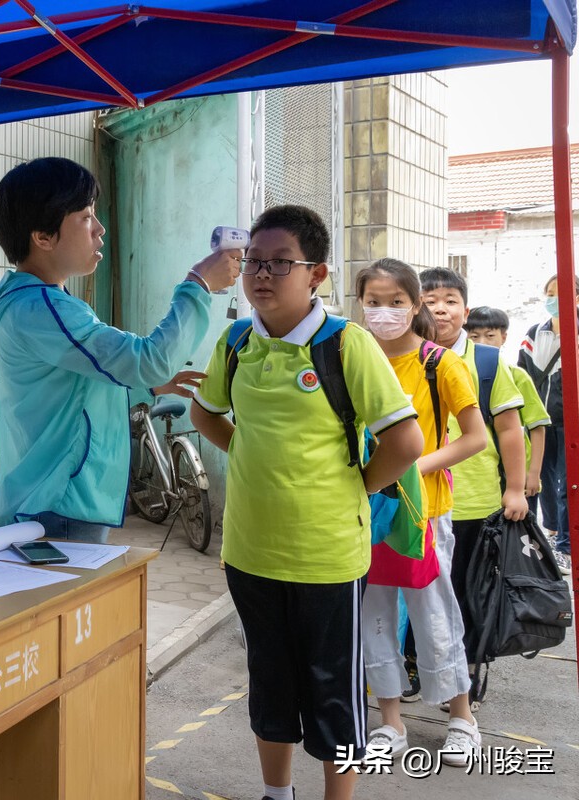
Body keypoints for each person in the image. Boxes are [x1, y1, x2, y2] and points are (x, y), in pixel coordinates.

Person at [190, 206, 422, 800]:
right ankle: (277, 793)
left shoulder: (347, 345)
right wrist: (247, 453)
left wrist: (357, 485)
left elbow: (405, 441)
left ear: (315, 273)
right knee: (269, 683)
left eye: (279, 263)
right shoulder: (237, 341)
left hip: (325, 555)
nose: (262, 274)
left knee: (333, 693)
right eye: (254, 263)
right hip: (248, 550)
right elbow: (206, 412)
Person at [0, 157, 240, 542]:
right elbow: (150, 359)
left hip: (51, 503)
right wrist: (198, 284)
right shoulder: (44, 311)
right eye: (85, 216)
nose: (100, 228)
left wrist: (151, 387)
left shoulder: (37, 305)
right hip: (58, 508)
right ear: (42, 237)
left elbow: (75, 392)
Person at [355, 259, 487, 767]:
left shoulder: (440, 363)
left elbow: (475, 437)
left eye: (395, 302)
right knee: (376, 616)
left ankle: (461, 718)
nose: (383, 312)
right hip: (365, 509)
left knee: (435, 615)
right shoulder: (352, 357)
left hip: (424, 512)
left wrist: (408, 467)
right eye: (373, 301)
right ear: (360, 303)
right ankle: (390, 722)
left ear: (415, 305)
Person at [419, 269, 527, 686]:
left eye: (449, 300)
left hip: (474, 502)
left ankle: (467, 671)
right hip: (419, 499)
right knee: (420, 594)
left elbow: (509, 429)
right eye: (430, 299)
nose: (440, 308)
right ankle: (419, 666)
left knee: (468, 594)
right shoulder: (405, 356)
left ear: (465, 310)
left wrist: (515, 489)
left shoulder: (486, 361)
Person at [466, 305, 551, 541]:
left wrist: (533, 474)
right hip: (489, 475)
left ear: (504, 337)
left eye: (490, 335)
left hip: (518, 476)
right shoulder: (462, 371)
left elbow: (537, 426)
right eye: (474, 336)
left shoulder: (517, 375)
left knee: (519, 537)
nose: (482, 341)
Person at [517, 276, 574, 575]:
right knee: (539, 480)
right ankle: (546, 536)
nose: (553, 299)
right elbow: (522, 375)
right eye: (549, 293)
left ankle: (565, 547)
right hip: (538, 421)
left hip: (571, 423)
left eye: (560, 293)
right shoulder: (534, 334)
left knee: (568, 484)